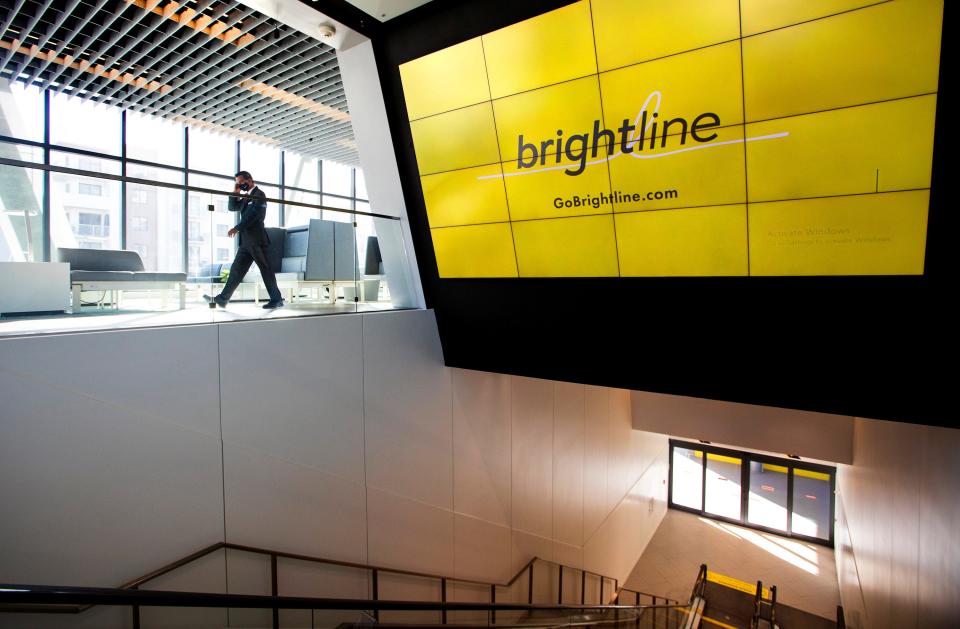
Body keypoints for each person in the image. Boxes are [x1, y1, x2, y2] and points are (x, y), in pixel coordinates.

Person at [204, 171, 284, 309]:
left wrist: (237, 228)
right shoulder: (246, 198)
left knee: (265, 270)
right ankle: (223, 299)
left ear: (250, 180)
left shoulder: (259, 195)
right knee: (236, 270)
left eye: (242, 182)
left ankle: (276, 299)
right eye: (238, 183)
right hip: (246, 243)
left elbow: (254, 216)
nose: (241, 185)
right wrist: (235, 193)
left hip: (257, 240)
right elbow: (232, 207)